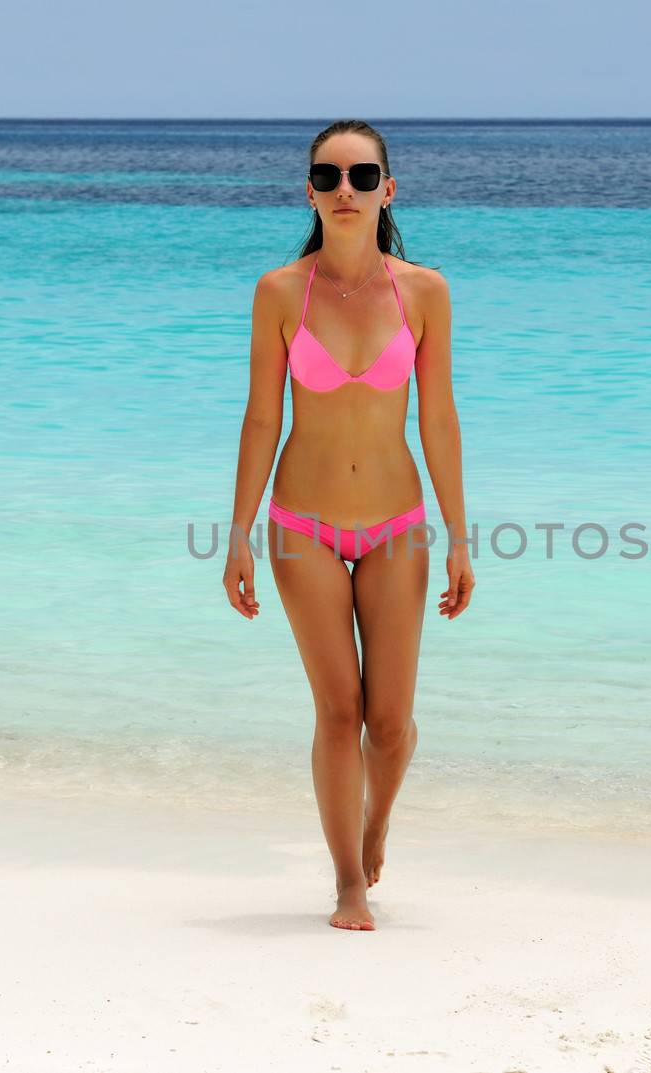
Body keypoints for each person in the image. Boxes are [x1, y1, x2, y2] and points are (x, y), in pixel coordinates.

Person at [224, 119, 475, 931]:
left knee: (391, 723)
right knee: (339, 711)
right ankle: (346, 884)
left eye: (362, 178)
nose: (344, 191)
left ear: (387, 190)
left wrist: (460, 537)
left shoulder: (425, 291)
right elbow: (262, 418)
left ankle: (375, 824)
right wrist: (238, 534)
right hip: (301, 526)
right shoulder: (277, 293)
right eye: (328, 177)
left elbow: (439, 420)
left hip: (397, 525)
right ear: (309, 189)